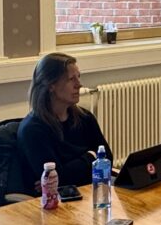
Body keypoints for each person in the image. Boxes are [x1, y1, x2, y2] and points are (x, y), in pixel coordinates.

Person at [18, 53, 111, 188]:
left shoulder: (85, 118)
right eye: (71, 79)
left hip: (91, 190)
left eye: (78, 77)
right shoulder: (32, 130)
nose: (79, 84)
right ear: (51, 85)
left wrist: (70, 170)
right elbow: (55, 178)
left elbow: (108, 160)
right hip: (58, 199)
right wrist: (91, 156)